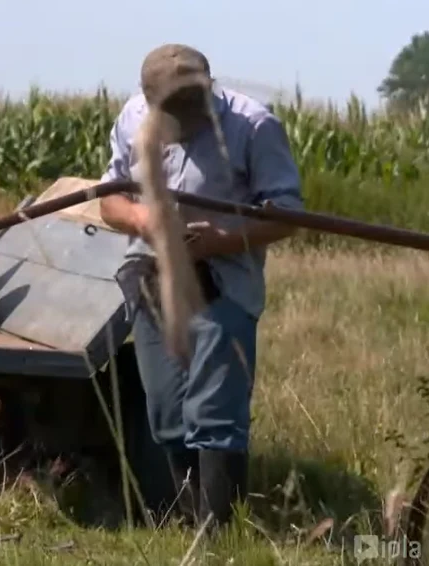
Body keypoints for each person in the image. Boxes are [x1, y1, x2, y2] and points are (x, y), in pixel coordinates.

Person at [98, 43, 303, 530]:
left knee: (214, 414)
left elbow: (288, 215)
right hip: (152, 277)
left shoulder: (254, 126)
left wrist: (223, 240)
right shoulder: (132, 119)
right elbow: (109, 200)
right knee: (167, 413)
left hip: (223, 282)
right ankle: (184, 523)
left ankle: (220, 535)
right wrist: (142, 217)